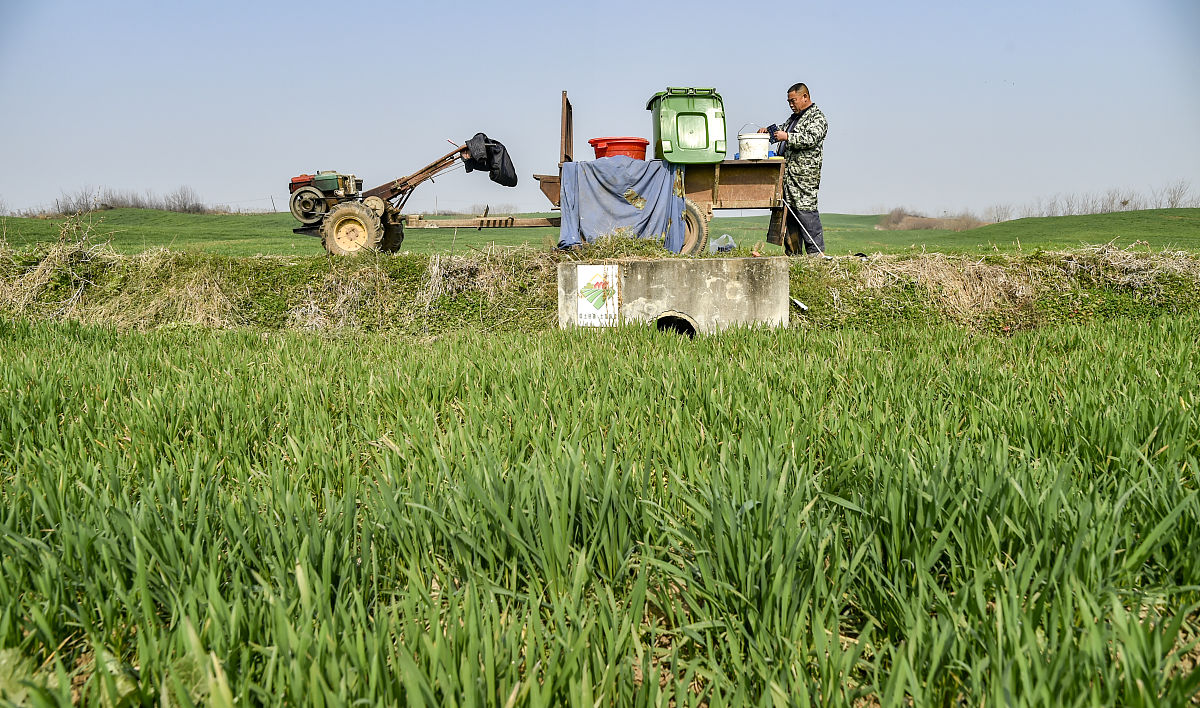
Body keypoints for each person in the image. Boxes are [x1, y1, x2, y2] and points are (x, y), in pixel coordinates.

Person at [760, 83, 828, 255]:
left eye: (793, 100)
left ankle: (815, 255)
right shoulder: (793, 119)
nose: (791, 104)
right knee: (789, 215)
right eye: (789, 101)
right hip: (788, 178)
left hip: (804, 178)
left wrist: (787, 137)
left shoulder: (817, 118)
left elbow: (811, 138)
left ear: (805, 97)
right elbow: (780, 132)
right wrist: (768, 132)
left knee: (806, 212)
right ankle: (793, 255)